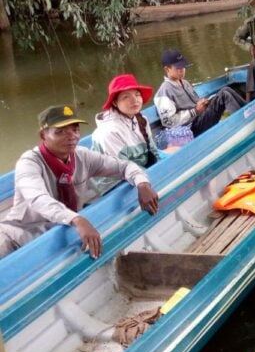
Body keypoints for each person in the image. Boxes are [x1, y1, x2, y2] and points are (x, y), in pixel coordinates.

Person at [0, 105, 159, 259]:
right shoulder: (29, 163)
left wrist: (142, 184)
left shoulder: (82, 156)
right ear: (43, 135)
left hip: (59, 235)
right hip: (18, 237)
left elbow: (124, 166)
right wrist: (76, 219)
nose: (71, 137)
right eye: (60, 132)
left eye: (75, 130)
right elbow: (38, 199)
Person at [92, 74, 159, 193]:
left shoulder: (141, 119)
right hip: (115, 183)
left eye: (137, 94)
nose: (134, 100)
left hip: (139, 171)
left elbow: (153, 150)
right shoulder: (108, 132)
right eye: (126, 97)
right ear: (114, 103)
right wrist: (145, 181)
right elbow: (122, 169)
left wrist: (160, 167)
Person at [154, 49, 246, 137]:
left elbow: (196, 103)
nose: (182, 70)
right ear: (167, 69)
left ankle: (248, 110)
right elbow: (169, 122)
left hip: (200, 118)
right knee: (223, 95)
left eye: (183, 66)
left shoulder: (185, 83)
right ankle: (245, 120)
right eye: (178, 67)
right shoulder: (165, 91)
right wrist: (194, 111)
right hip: (191, 128)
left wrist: (203, 103)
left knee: (226, 89)